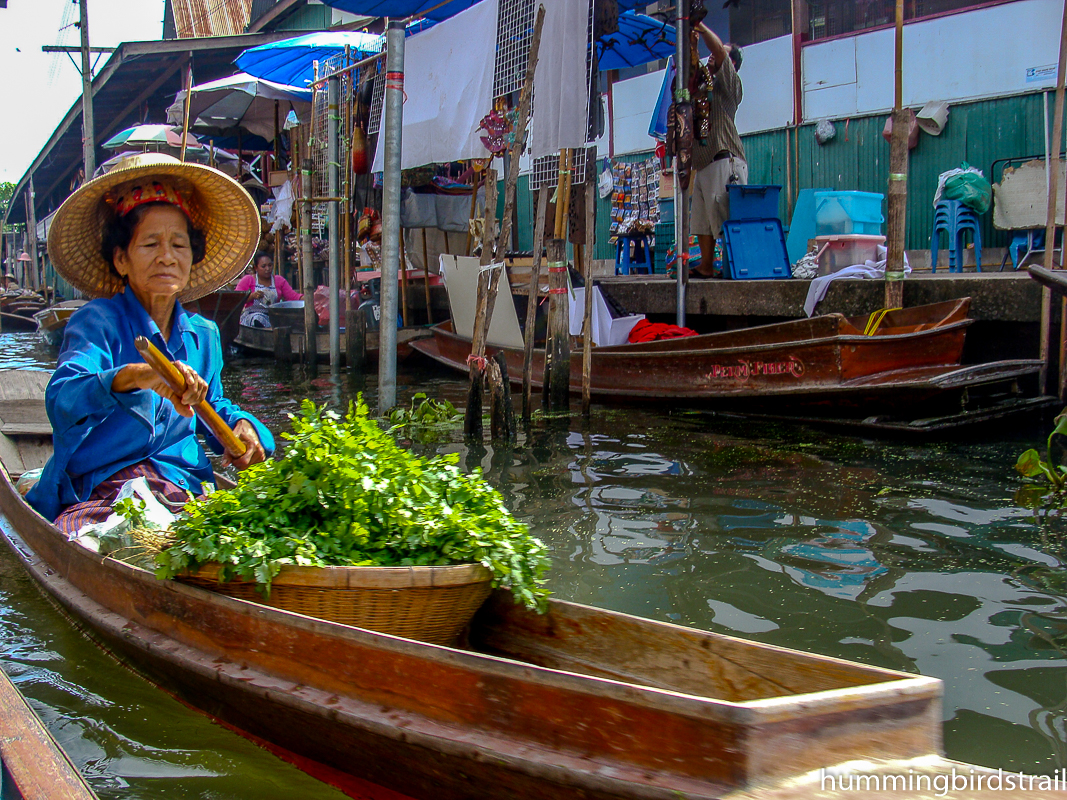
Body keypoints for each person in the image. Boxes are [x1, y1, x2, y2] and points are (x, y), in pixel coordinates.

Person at [27, 153, 274, 532]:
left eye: (178, 245)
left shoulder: (204, 335)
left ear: (192, 257)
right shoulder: (96, 322)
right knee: (95, 536)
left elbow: (212, 404)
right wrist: (140, 376)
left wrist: (243, 425)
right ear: (121, 259)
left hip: (182, 484)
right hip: (103, 486)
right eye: (150, 245)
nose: (166, 257)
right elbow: (64, 398)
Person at [689, 21, 747, 279]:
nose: (712, 55)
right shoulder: (706, 87)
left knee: (723, 218)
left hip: (725, 159)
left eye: (719, 53)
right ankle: (707, 265)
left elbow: (720, 54)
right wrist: (692, 44)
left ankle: (735, 267)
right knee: (702, 220)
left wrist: (700, 27)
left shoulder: (730, 86)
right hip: (703, 163)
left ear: (732, 66)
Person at [234, 251, 301, 328]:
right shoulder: (248, 280)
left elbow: (293, 297)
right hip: (252, 317)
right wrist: (252, 296)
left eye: (270, 265)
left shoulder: (279, 281)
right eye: (263, 266)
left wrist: (310, 298)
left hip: (273, 317)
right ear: (256, 268)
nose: (268, 269)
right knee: (257, 318)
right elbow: (236, 299)